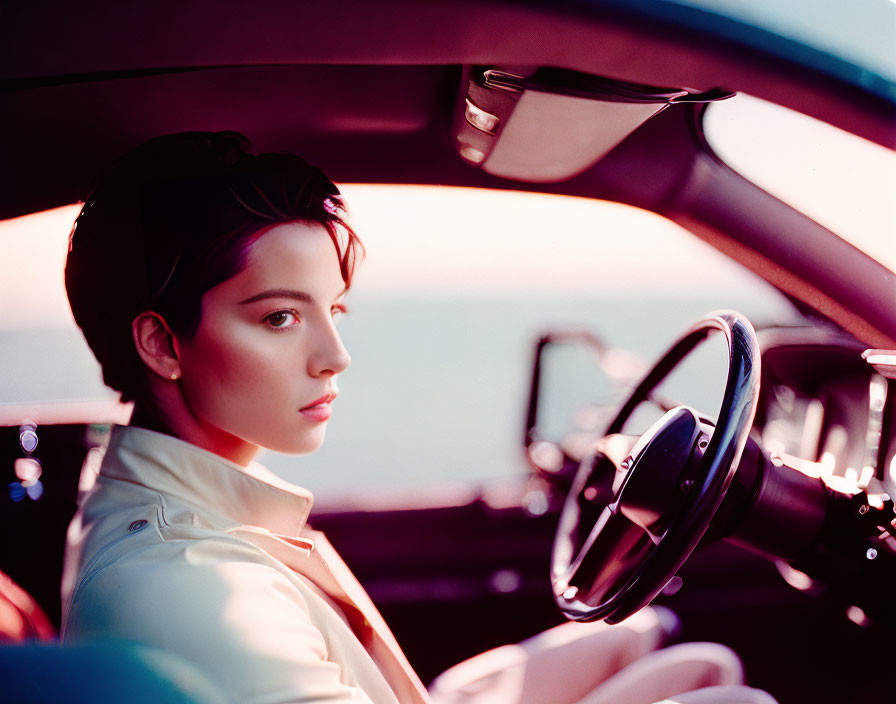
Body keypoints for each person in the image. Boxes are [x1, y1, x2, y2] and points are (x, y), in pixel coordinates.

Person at [61, 131, 776, 704]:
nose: (334, 356)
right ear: (162, 343)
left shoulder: (169, 490)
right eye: (280, 317)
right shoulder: (192, 585)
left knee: (692, 662)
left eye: (333, 311)